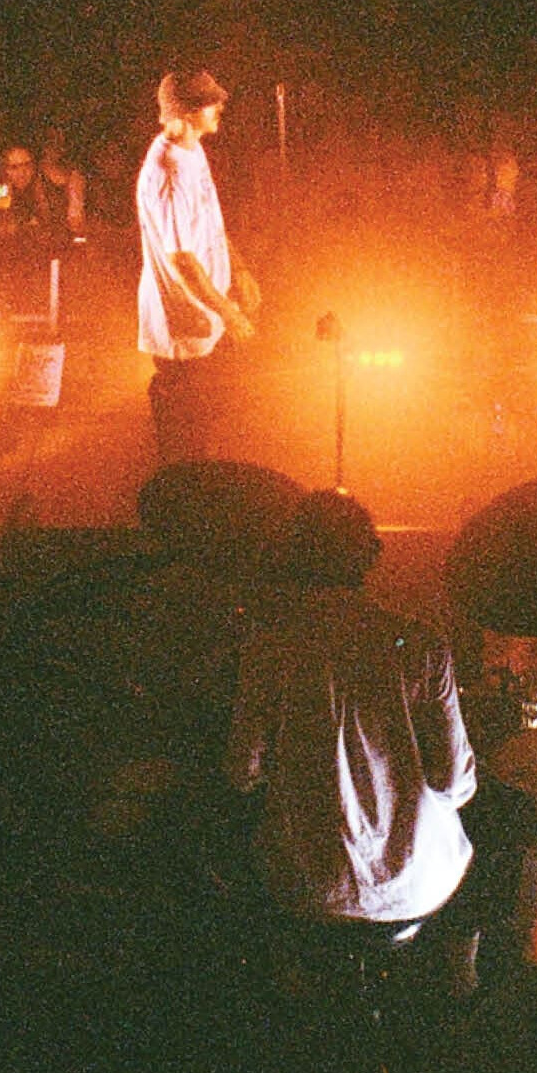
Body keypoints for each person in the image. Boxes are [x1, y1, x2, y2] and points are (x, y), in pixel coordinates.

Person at [225, 490, 477, 929]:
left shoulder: (268, 649)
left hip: (311, 887)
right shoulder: (421, 643)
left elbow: (242, 773)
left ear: (293, 558)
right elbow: (454, 785)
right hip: (419, 886)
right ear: (371, 555)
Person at [136, 69, 259, 463]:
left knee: (207, 431)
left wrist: (238, 269)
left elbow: (210, 224)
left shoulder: (192, 151)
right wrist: (230, 313)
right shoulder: (168, 172)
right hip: (183, 332)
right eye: (211, 102)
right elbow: (183, 260)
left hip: (204, 320)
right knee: (186, 445)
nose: (220, 106)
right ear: (187, 112)